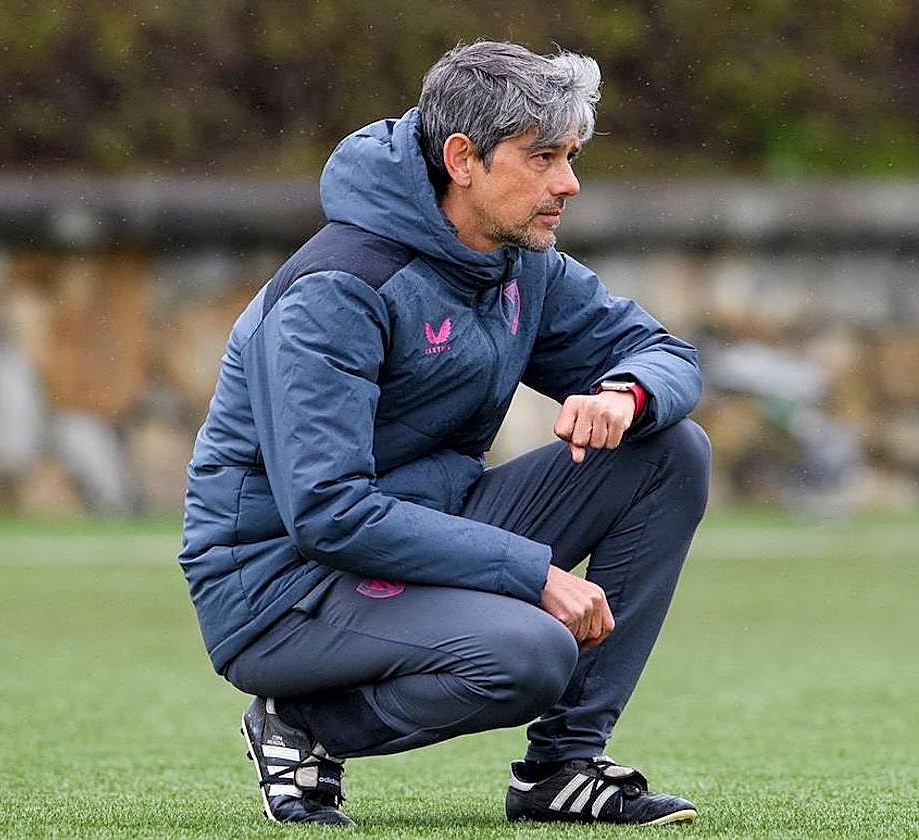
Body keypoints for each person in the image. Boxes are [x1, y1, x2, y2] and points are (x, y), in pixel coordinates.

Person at [178, 40, 710, 828]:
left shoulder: (515, 261)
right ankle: (301, 727)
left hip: (426, 528)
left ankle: (561, 771)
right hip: (284, 588)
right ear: (463, 159)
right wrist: (534, 574)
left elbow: (666, 354)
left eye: (570, 156)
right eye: (543, 158)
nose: (569, 183)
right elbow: (327, 511)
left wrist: (626, 395)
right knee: (532, 651)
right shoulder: (338, 288)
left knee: (670, 451)